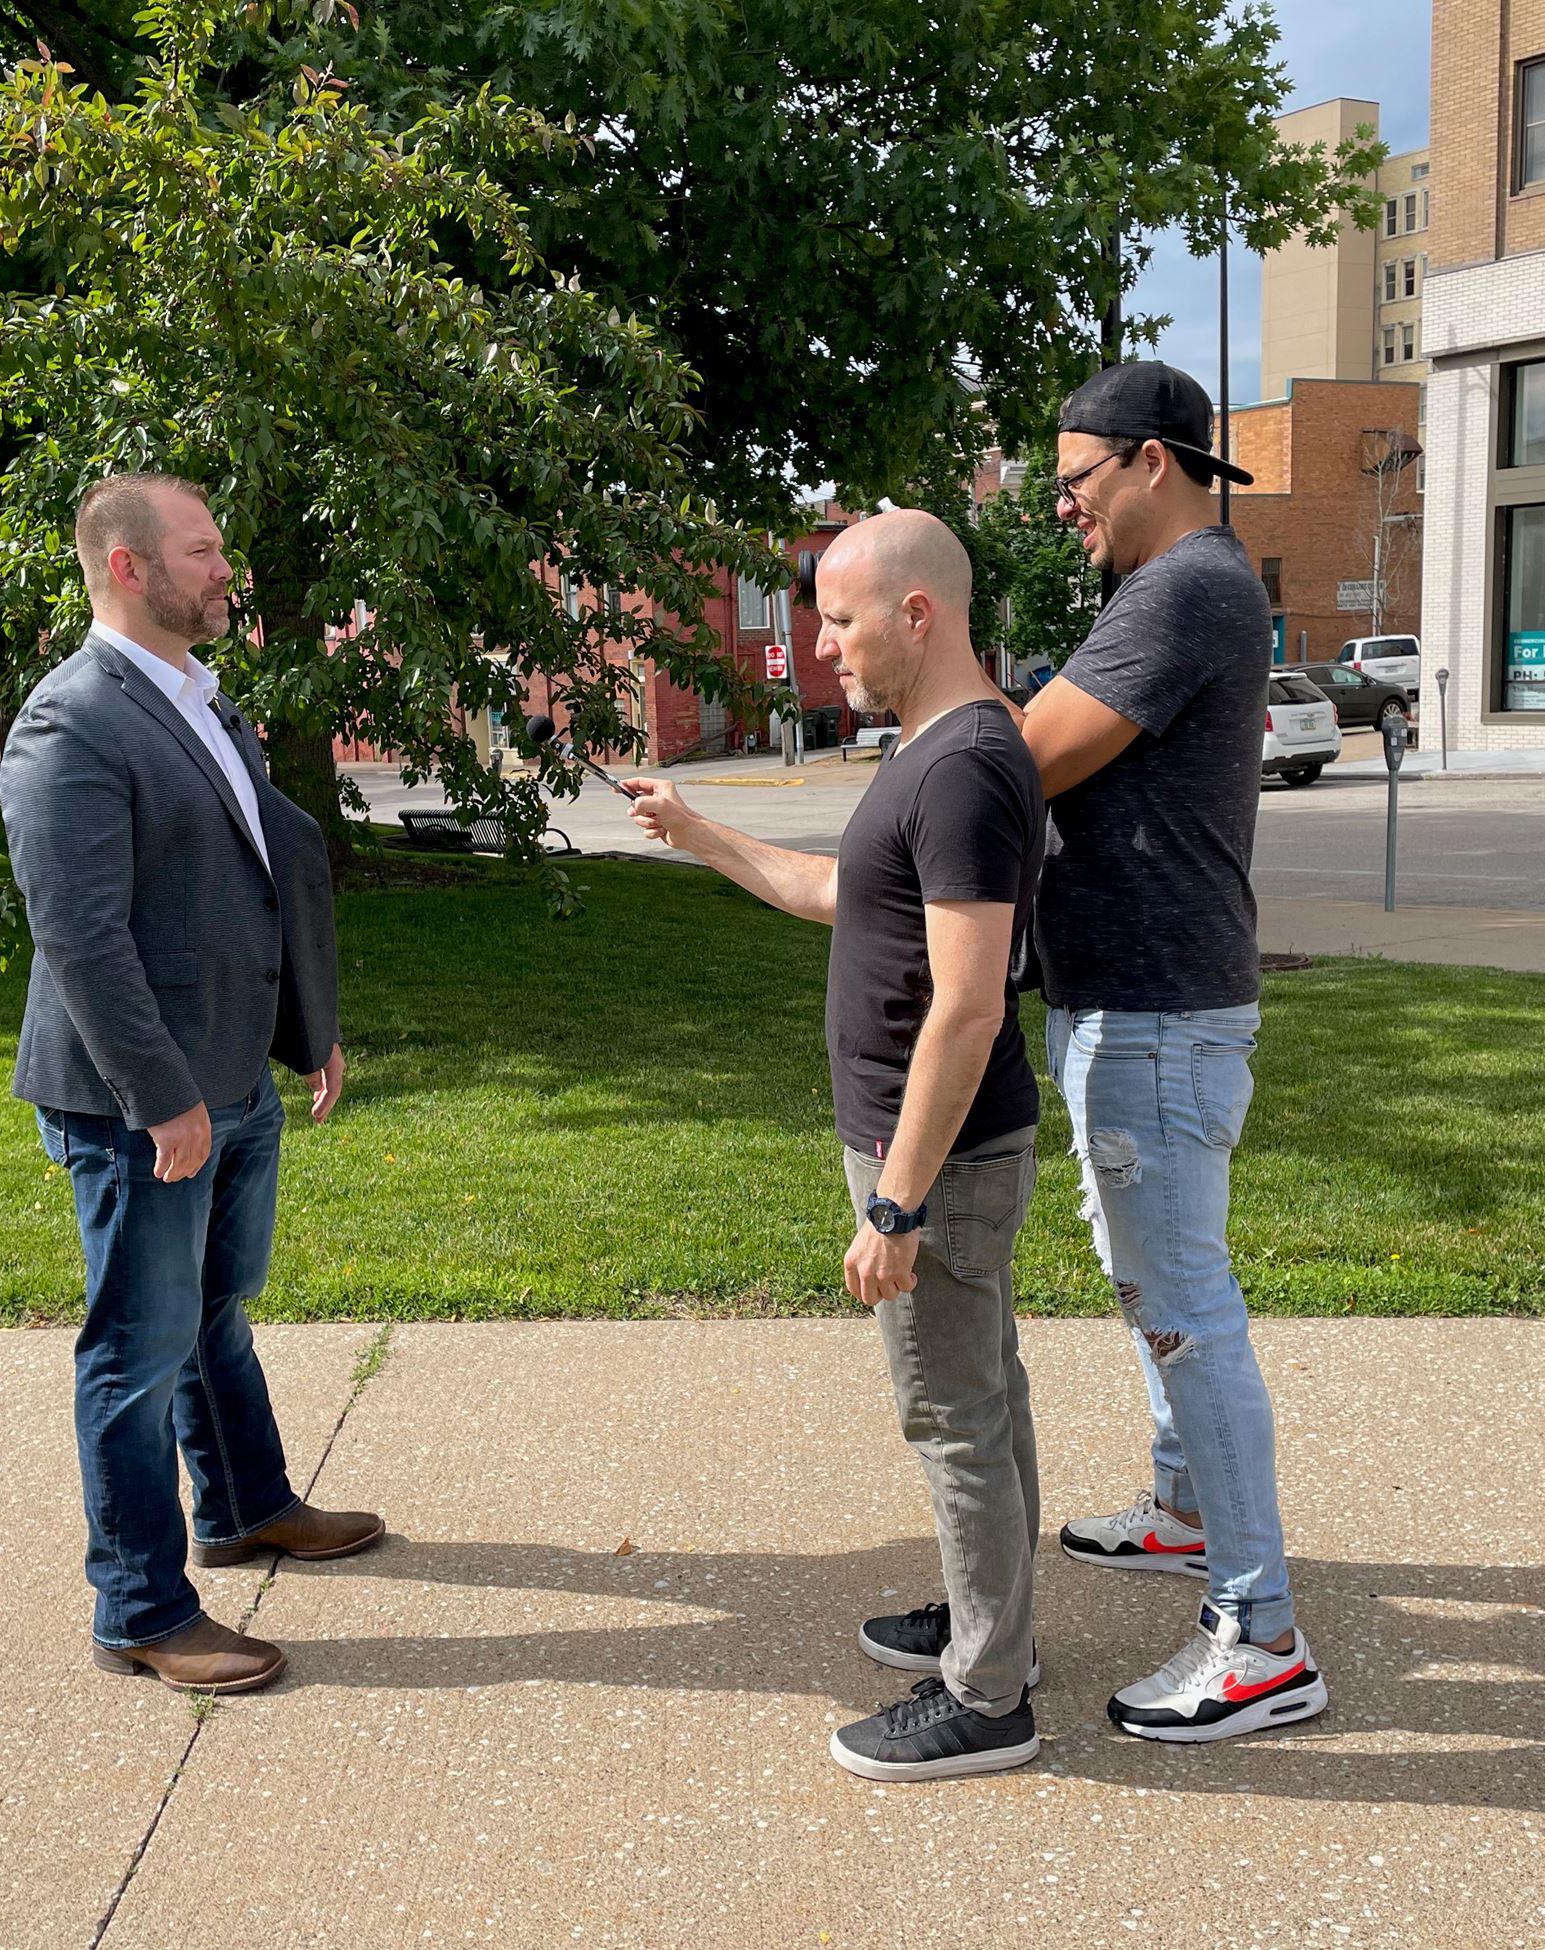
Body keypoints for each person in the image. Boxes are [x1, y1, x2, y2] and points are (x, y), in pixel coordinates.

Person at [623, 510, 1048, 1782]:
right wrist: (700, 833)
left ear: (917, 615)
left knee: (952, 1414)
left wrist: (898, 1206)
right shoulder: (929, 746)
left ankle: (986, 1697)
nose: (819, 642)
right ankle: (996, 1630)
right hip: (935, 1152)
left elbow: (970, 1000)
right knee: (986, 1393)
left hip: (940, 1159)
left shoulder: (967, 762)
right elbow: (838, 893)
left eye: (841, 617)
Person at [0, 472, 383, 1694]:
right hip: (142, 1104)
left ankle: (247, 1505)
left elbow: (271, 869)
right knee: (136, 1347)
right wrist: (158, 1096)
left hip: (232, 1075)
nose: (226, 570)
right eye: (204, 549)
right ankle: (141, 1608)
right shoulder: (72, 720)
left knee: (214, 1311)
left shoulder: (202, 701)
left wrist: (306, 1028)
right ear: (128, 565)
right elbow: (81, 935)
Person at [1019, 362, 1331, 1742]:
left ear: (1152, 460)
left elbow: (1030, 752)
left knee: (1185, 1308)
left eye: (1076, 480)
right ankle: (1186, 1508)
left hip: (1155, 1012)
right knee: (1152, 1278)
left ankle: (1261, 1635)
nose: (1065, 507)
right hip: (1132, 999)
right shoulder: (1167, 589)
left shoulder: (1188, 587)